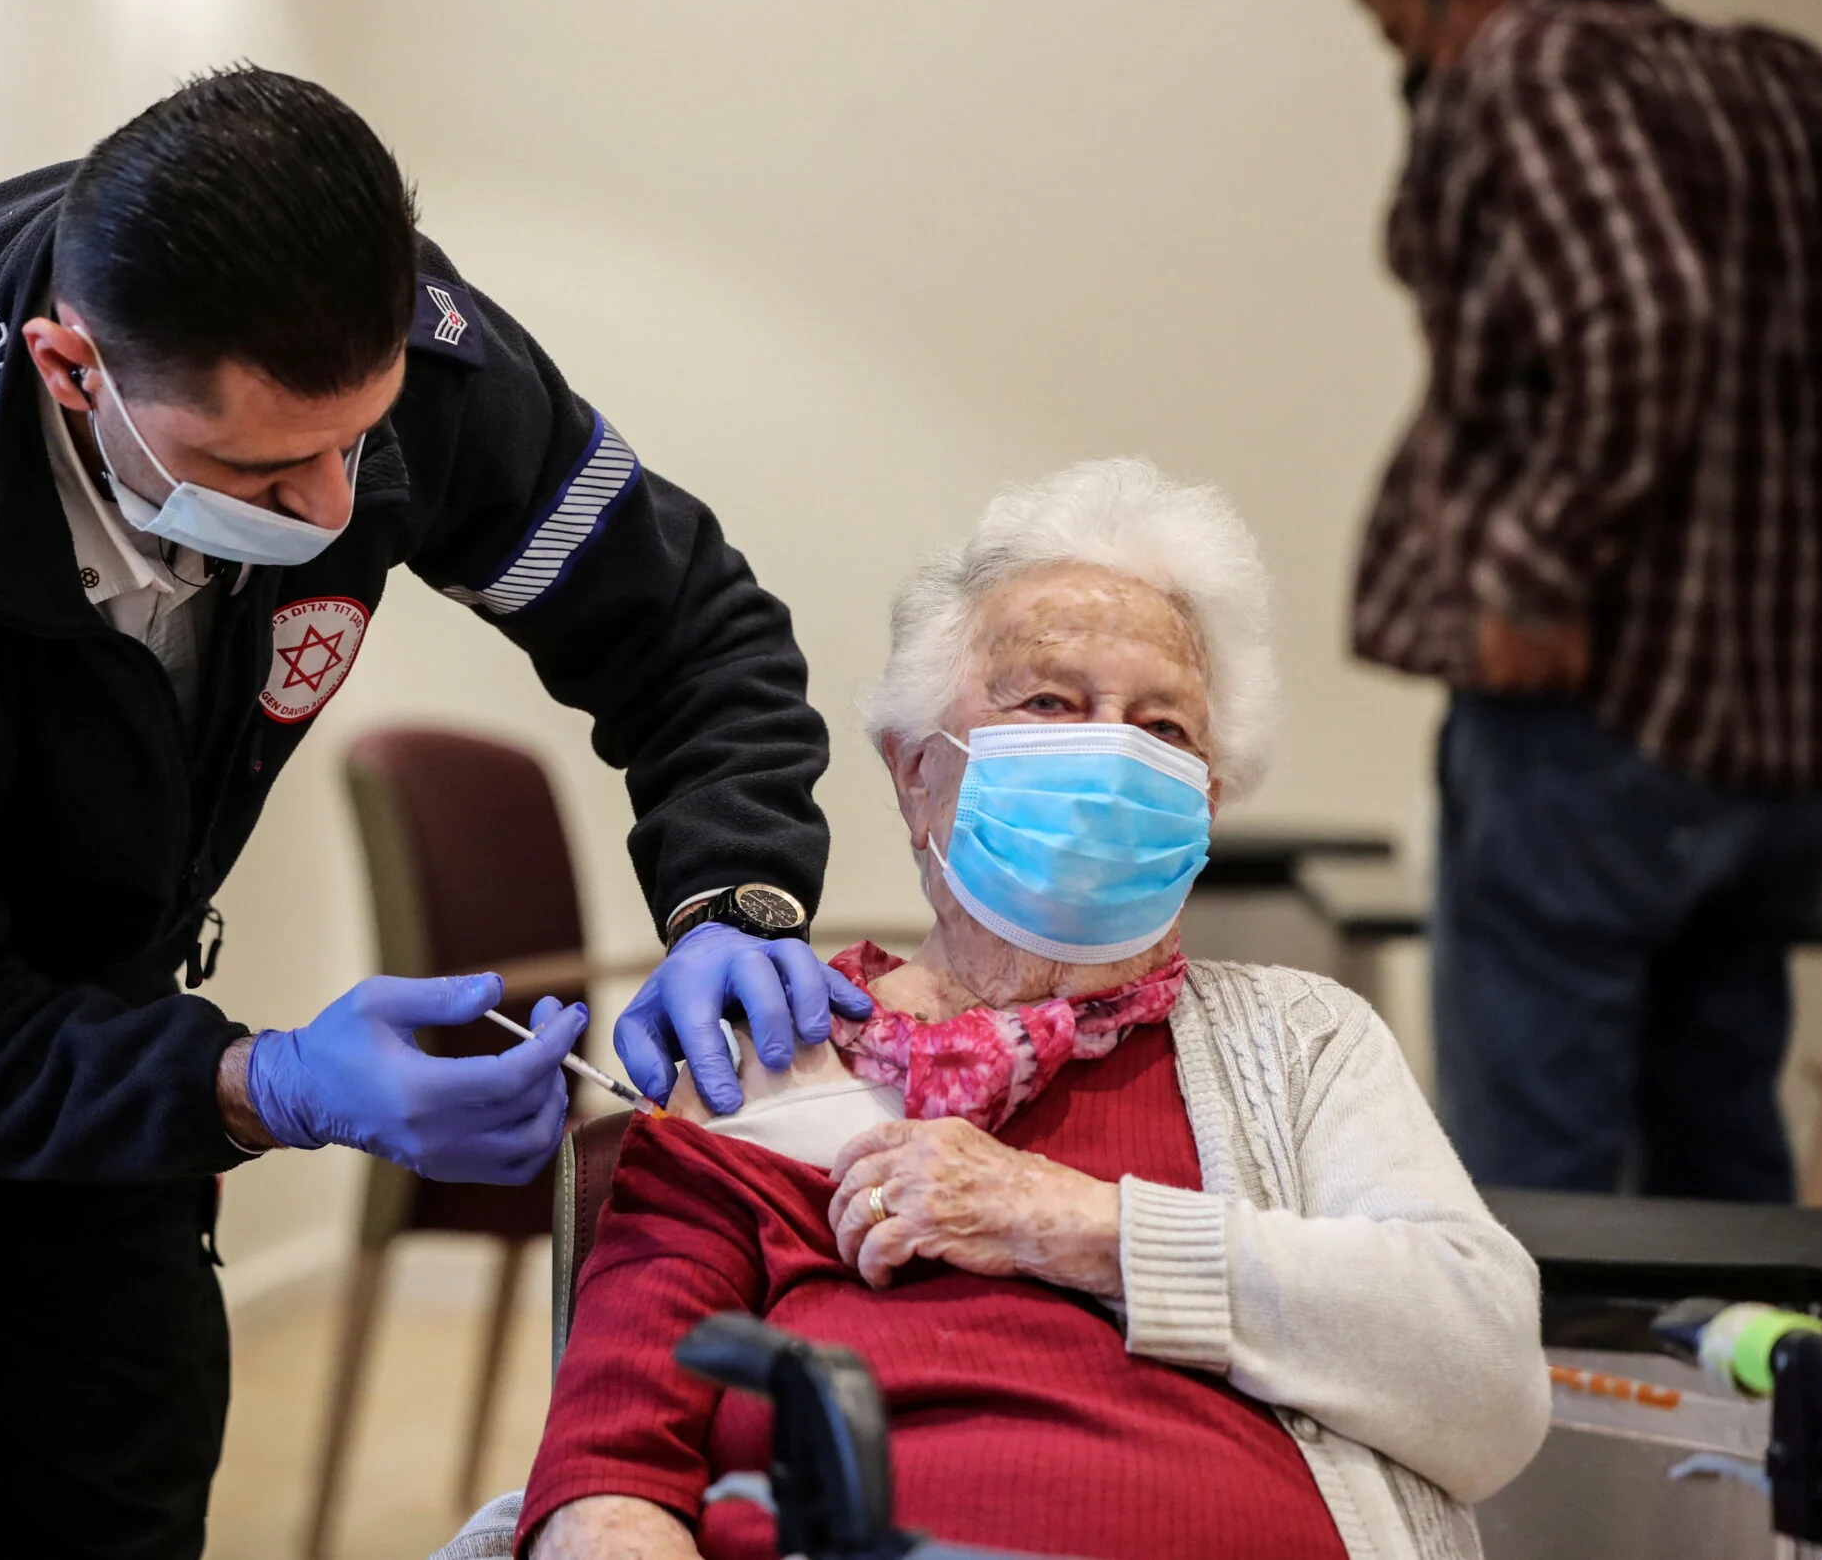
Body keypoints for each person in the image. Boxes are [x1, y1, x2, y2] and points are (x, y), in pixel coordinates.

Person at [0, 67, 870, 1560]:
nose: (330, 506)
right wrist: (273, 1081)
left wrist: (737, 898)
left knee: (102, 1454)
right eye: (258, 467)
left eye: (355, 443)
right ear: (73, 372)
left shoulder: (406, 366)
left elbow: (690, 635)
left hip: (59, 935)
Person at [515, 462, 1547, 1560]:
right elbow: (610, 1478)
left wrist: (1070, 1224)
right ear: (916, 772)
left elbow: (1485, 1384)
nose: (1109, 756)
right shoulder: (767, 1061)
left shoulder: (1299, 1043)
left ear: (1208, 798)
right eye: (1048, 703)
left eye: (1162, 727)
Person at [1348, 0, 1822, 1198]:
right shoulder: (1790, 82)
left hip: (1591, 717)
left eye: (1402, 33)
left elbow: (1643, 313)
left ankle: (1544, 1412)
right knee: (1720, 1138)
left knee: (1540, 1171)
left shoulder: (1532, 64)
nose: (1412, 74)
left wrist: (1538, 571)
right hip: (1785, 734)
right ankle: (1767, 1403)